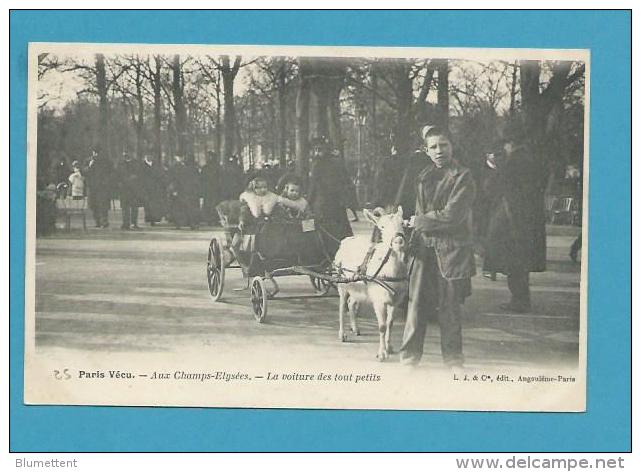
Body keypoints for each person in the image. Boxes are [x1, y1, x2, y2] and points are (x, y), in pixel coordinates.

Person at [400, 125, 477, 370]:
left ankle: (453, 360)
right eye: (433, 147)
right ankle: (409, 357)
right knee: (416, 305)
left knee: (449, 308)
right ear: (426, 150)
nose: (439, 150)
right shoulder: (423, 175)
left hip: (451, 250)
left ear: (452, 146)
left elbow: (453, 215)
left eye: (443, 145)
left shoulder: (463, 176)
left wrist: (420, 222)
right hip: (423, 249)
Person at [484, 120, 547, 313]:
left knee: (514, 260)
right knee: (520, 260)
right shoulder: (531, 157)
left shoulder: (513, 160)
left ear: (509, 142)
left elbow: (492, 187)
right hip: (528, 217)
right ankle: (521, 299)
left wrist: (493, 166)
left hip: (513, 218)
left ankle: (519, 301)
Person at [307, 137, 359, 256]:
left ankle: (323, 255)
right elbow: (347, 183)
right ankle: (342, 254)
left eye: (319, 149)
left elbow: (313, 187)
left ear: (325, 149)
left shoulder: (317, 164)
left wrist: (308, 203)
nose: (317, 152)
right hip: (336, 205)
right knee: (340, 233)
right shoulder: (337, 162)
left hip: (322, 206)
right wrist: (349, 203)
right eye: (315, 149)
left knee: (321, 231)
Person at [168, 155, 201, 230]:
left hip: (183, 191)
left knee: (181, 208)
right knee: (188, 208)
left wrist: (174, 190)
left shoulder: (180, 169)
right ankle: (190, 224)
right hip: (188, 191)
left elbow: (176, 180)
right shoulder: (193, 169)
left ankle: (180, 224)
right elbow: (198, 181)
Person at [84, 149, 113, 228]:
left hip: (102, 187)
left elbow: (111, 173)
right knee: (93, 205)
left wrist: (106, 181)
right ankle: (97, 222)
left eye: (97, 152)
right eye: (94, 152)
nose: (96, 154)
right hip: (92, 187)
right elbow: (83, 173)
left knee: (103, 204)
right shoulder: (88, 161)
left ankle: (104, 222)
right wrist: (89, 166)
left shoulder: (106, 162)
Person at [140, 154, 166, 226]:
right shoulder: (142, 166)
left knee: (154, 202)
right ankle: (149, 217)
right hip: (146, 187)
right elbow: (141, 176)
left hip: (155, 187)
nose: (150, 157)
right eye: (148, 156)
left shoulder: (156, 165)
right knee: (147, 203)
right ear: (145, 157)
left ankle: (154, 218)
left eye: (151, 156)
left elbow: (160, 174)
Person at [201, 152, 222, 225]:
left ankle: (209, 219)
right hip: (214, 189)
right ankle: (213, 219)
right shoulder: (218, 167)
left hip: (209, 189)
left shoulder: (205, 168)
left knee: (209, 203)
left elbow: (202, 179)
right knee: (214, 203)